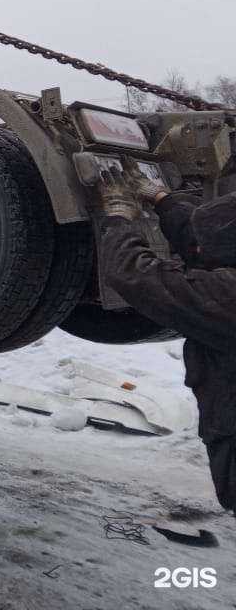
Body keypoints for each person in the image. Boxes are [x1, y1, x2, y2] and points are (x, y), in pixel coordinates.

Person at [96, 164, 236, 513]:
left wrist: (118, 218)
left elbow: (134, 274)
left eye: (203, 248)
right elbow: (203, 239)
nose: (196, 251)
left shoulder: (227, 297)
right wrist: (161, 199)